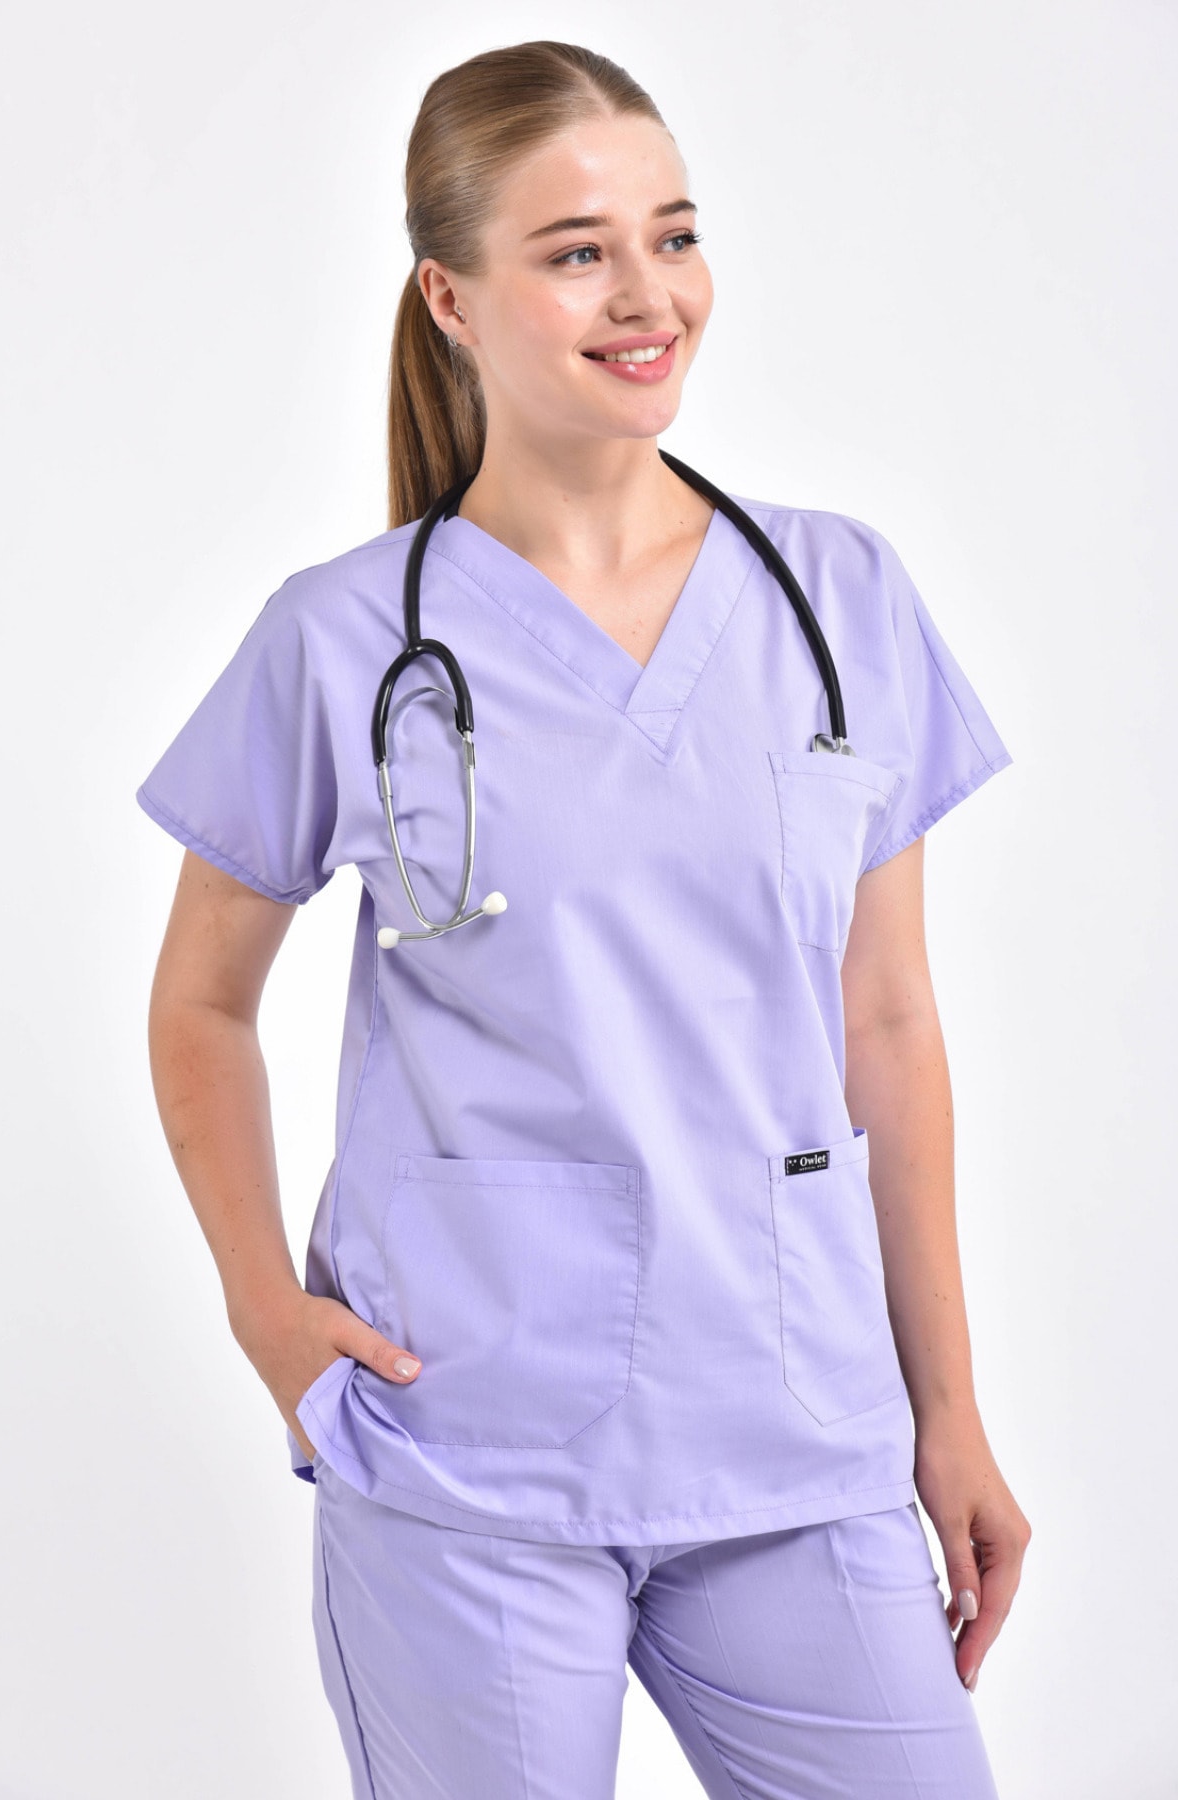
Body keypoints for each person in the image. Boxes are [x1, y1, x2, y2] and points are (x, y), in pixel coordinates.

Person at [136, 39, 1031, 1800]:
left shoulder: (839, 597)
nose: (649, 296)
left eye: (673, 236)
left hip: (794, 1431)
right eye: (577, 253)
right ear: (450, 298)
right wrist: (263, 1312)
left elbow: (888, 1024)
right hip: (463, 1446)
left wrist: (950, 1412)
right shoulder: (343, 639)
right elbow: (200, 1006)